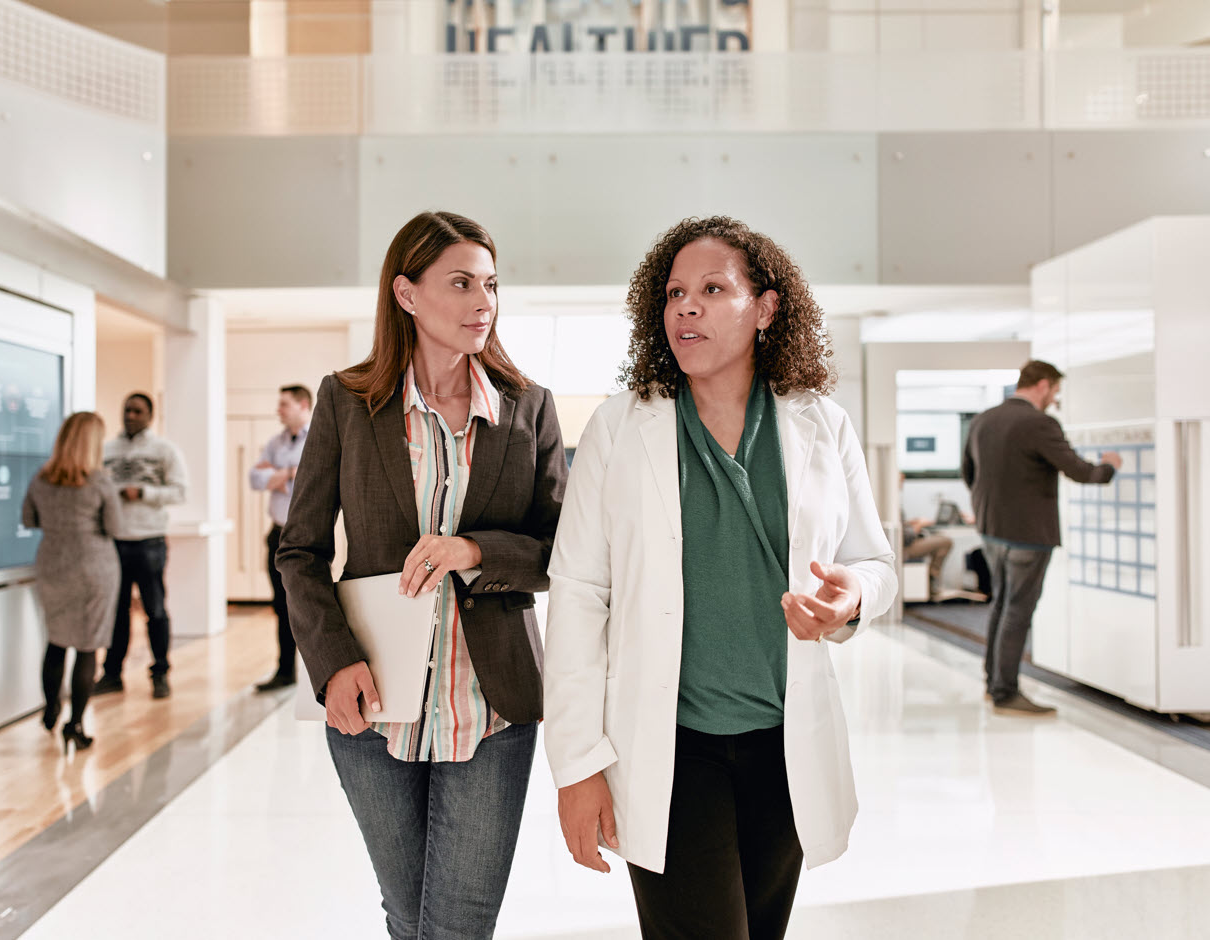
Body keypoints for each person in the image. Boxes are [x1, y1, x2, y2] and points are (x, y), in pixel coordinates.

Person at [543, 216, 896, 940]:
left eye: (711, 288)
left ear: (764, 308)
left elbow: (875, 561)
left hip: (784, 742)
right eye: (673, 293)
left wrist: (853, 597)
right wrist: (576, 766)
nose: (685, 308)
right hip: (670, 746)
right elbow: (579, 596)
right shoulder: (620, 428)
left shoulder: (819, 424)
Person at [277, 210, 568, 940]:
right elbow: (300, 550)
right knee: (407, 916)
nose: (483, 302)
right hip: (372, 704)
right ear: (406, 295)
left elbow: (560, 548)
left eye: (491, 285)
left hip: (490, 708)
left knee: (457, 924)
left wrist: (474, 551)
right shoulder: (346, 401)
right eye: (461, 282)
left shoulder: (527, 407)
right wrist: (331, 662)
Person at [962, 359, 1121, 716]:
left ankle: (994, 684)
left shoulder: (983, 420)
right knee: (1017, 611)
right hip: (1028, 535)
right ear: (1044, 385)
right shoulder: (1039, 423)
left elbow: (968, 474)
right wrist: (1110, 466)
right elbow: (1081, 471)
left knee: (1002, 606)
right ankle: (1005, 692)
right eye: (1055, 392)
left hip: (991, 530)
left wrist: (990, 509)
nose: (1054, 399)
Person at [22, 411, 122, 751]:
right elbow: (115, 528)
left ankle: (50, 709)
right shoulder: (100, 481)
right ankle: (75, 724)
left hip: (53, 565)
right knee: (87, 645)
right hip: (94, 567)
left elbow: (28, 518)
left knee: (56, 640)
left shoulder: (41, 478)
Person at [97, 392, 188, 700]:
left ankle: (160, 672)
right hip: (114, 541)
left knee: (156, 611)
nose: (130, 416)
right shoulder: (107, 450)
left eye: (137, 411)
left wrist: (144, 493)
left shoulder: (164, 450)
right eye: (126, 410)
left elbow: (179, 491)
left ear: (150, 415)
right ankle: (112, 674)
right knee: (117, 612)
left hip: (149, 541)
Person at [250, 384, 312, 692]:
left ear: (303, 405)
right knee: (280, 605)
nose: (279, 410)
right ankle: (285, 671)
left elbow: (312, 480)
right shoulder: (276, 442)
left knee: (310, 606)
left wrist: (278, 473)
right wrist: (289, 473)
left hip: (306, 537)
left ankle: (316, 672)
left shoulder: (317, 438)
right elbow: (255, 477)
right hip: (277, 535)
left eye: (284, 404)